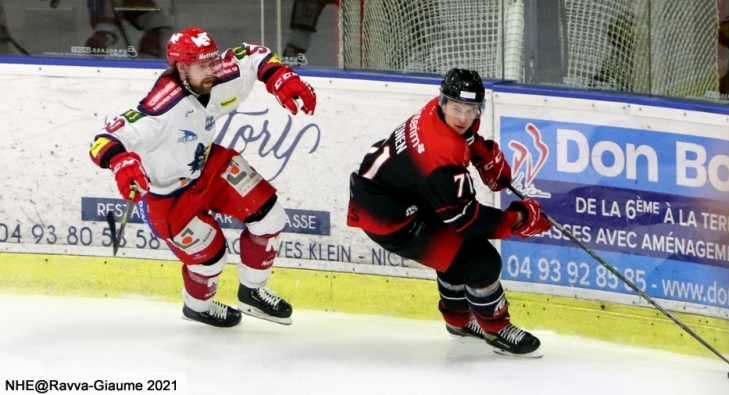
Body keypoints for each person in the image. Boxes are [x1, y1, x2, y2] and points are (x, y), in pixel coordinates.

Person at [88, 26, 317, 328]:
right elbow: (103, 140)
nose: (212, 71)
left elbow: (252, 55)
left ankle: (253, 291)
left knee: (270, 217)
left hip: (208, 166)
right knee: (211, 259)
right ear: (181, 67)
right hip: (168, 199)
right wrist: (121, 161)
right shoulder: (161, 107)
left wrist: (278, 75)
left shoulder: (216, 75)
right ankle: (197, 307)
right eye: (202, 66)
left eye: (212, 62)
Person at [346, 68, 551, 356]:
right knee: (480, 260)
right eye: (457, 108)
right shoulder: (439, 156)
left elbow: (462, 139)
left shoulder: (435, 113)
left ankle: (459, 321)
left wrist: (482, 153)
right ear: (443, 102)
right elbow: (467, 222)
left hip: (395, 195)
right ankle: (496, 330)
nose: (463, 118)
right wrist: (520, 219)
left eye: (471, 110)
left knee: (456, 254)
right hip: (391, 217)